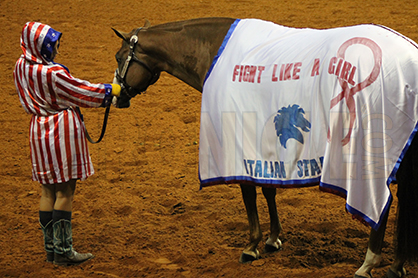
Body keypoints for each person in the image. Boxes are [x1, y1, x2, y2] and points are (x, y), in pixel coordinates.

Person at [13, 22, 121, 266]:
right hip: (60, 131)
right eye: (52, 46)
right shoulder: (52, 74)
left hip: (38, 130)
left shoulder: (20, 66)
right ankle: (64, 251)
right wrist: (110, 90)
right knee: (65, 190)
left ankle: (51, 249)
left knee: (47, 189)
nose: (56, 51)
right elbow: (79, 90)